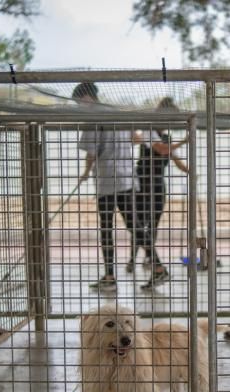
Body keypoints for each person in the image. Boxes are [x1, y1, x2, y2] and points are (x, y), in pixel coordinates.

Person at [75, 82, 138, 293]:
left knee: (106, 229)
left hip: (108, 181)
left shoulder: (94, 117)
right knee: (134, 225)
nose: (78, 106)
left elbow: (91, 152)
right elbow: (134, 139)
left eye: (78, 101)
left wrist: (85, 173)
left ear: (86, 98)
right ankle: (157, 267)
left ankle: (110, 277)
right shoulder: (118, 113)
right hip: (127, 179)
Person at [129, 96, 189, 290]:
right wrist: (186, 140)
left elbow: (175, 159)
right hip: (142, 184)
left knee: (151, 225)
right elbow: (162, 150)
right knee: (138, 224)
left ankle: (149, 261)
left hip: (157, 185)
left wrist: (191, 172)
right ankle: (137, 259)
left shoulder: (167, 137)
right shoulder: (148, 131)